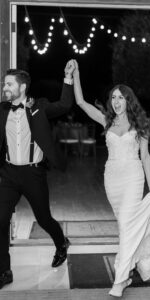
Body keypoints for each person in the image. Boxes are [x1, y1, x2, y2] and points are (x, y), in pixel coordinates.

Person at [71, 59, 150, 297]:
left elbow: (145, 157)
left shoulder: (140, 124)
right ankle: (128, 270)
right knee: (125, 227)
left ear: (128, 100)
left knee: (126, 226)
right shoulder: (107, 120)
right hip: (112, 179)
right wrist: (77, 74)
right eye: (113, 97)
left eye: (120, 98)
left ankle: (120, 279)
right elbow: (81, 102)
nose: (116, 102)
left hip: (133, 178)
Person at [0, 61, 75, 289]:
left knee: (43, 218)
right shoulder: (2, 109)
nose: (5, 88)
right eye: (4, 84)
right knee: (0, 220)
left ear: (22, 88)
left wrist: (68, 77)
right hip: (9, 174)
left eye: (9, 84)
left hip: (34, 174)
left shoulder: (38, 107)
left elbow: (64, 105)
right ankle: (4, 271)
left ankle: (61, 243)